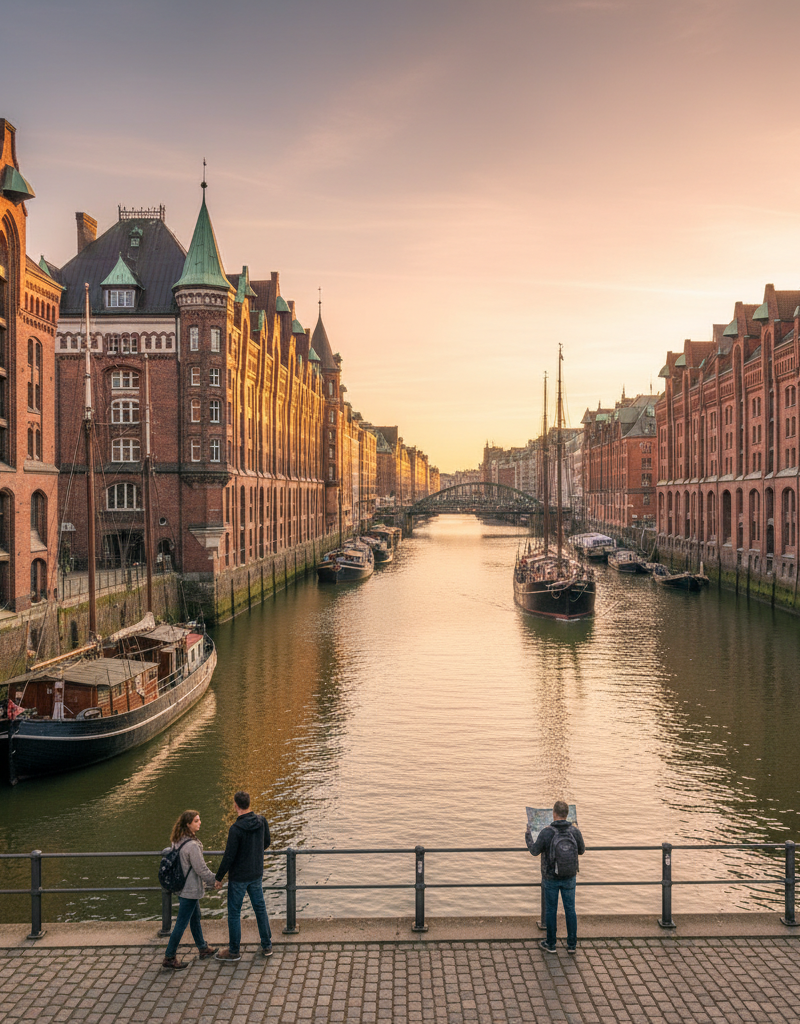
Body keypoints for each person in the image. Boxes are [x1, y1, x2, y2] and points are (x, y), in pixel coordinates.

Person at [214, 791, 272, 962]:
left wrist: (219, 877)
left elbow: (229, 856)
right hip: (256, 873)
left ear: (236, 805)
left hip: (239, 877)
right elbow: (266, 842)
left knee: (234, 913)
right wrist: (254, 853)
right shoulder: (261, 821)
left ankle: (233, 951)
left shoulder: (236, 829)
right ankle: (267, 945)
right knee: (260, 909)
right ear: (249, 803)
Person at [525, 799, 585, 954]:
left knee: (551, 910)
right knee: (570, 909)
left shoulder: (547, 832)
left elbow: (534, 851)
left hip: (550, 877)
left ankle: (551, 944)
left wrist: (528, 835)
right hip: (569, 876)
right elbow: (582, 850)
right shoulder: (574, 831)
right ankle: (572, 945)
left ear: (554, 814)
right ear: (567, 814)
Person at [162, 809, 219, 970]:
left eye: (199, 820)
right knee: (181, 923)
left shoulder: (177, 840)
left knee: (195, 917)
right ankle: (169, 956)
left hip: (181, 887)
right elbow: (201, 869)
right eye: (196, 821)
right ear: (188, 824)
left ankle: (202, 948)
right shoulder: (192, 845)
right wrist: (215, 880)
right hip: (190, 889)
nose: (199, 822)